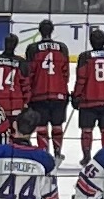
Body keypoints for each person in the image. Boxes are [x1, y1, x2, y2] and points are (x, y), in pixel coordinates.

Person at [70, 28, 104, 164]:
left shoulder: (84, 57)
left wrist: (76, 95)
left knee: (86, 130)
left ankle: (87, 156)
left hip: (88, 101)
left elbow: (81, 79)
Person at [23, 19, 71, 160]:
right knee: (57, 126)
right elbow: (65, 73)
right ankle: (57, 153)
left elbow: (29, 73)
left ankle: (43, 153)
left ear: (40, 31)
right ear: (52, 31)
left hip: (39, 94)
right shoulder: (62, 48)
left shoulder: (32, 49)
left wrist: (28, 93)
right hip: (59, 93)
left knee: (41, 127)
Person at [0, 34, 27, 120]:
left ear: (4, 44)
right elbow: (26, 85)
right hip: (15, 104)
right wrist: (25, 102)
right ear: (16, 45)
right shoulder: (22, 62)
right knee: (14, 127)